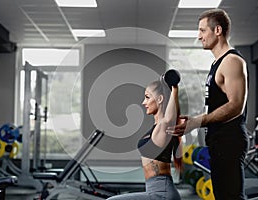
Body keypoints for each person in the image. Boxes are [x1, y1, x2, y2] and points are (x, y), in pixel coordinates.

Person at [167, 8, 249, 200]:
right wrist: (194, 120)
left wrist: (197, 121)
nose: (199, 36)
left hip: (229, 140)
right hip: (217, 140)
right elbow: (217, 104)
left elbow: (236, 105)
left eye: (203, 30)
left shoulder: (232, 61)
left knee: (231, 197)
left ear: (217, 30)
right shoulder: (216, 64)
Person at [107, 71, 182, 200]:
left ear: (159, 99)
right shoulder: (155, 128)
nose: (143, 102)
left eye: (147, 97)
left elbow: (169, 118)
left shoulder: (163, 127)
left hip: (161, 193)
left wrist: (174, 88)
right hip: (154, 190)